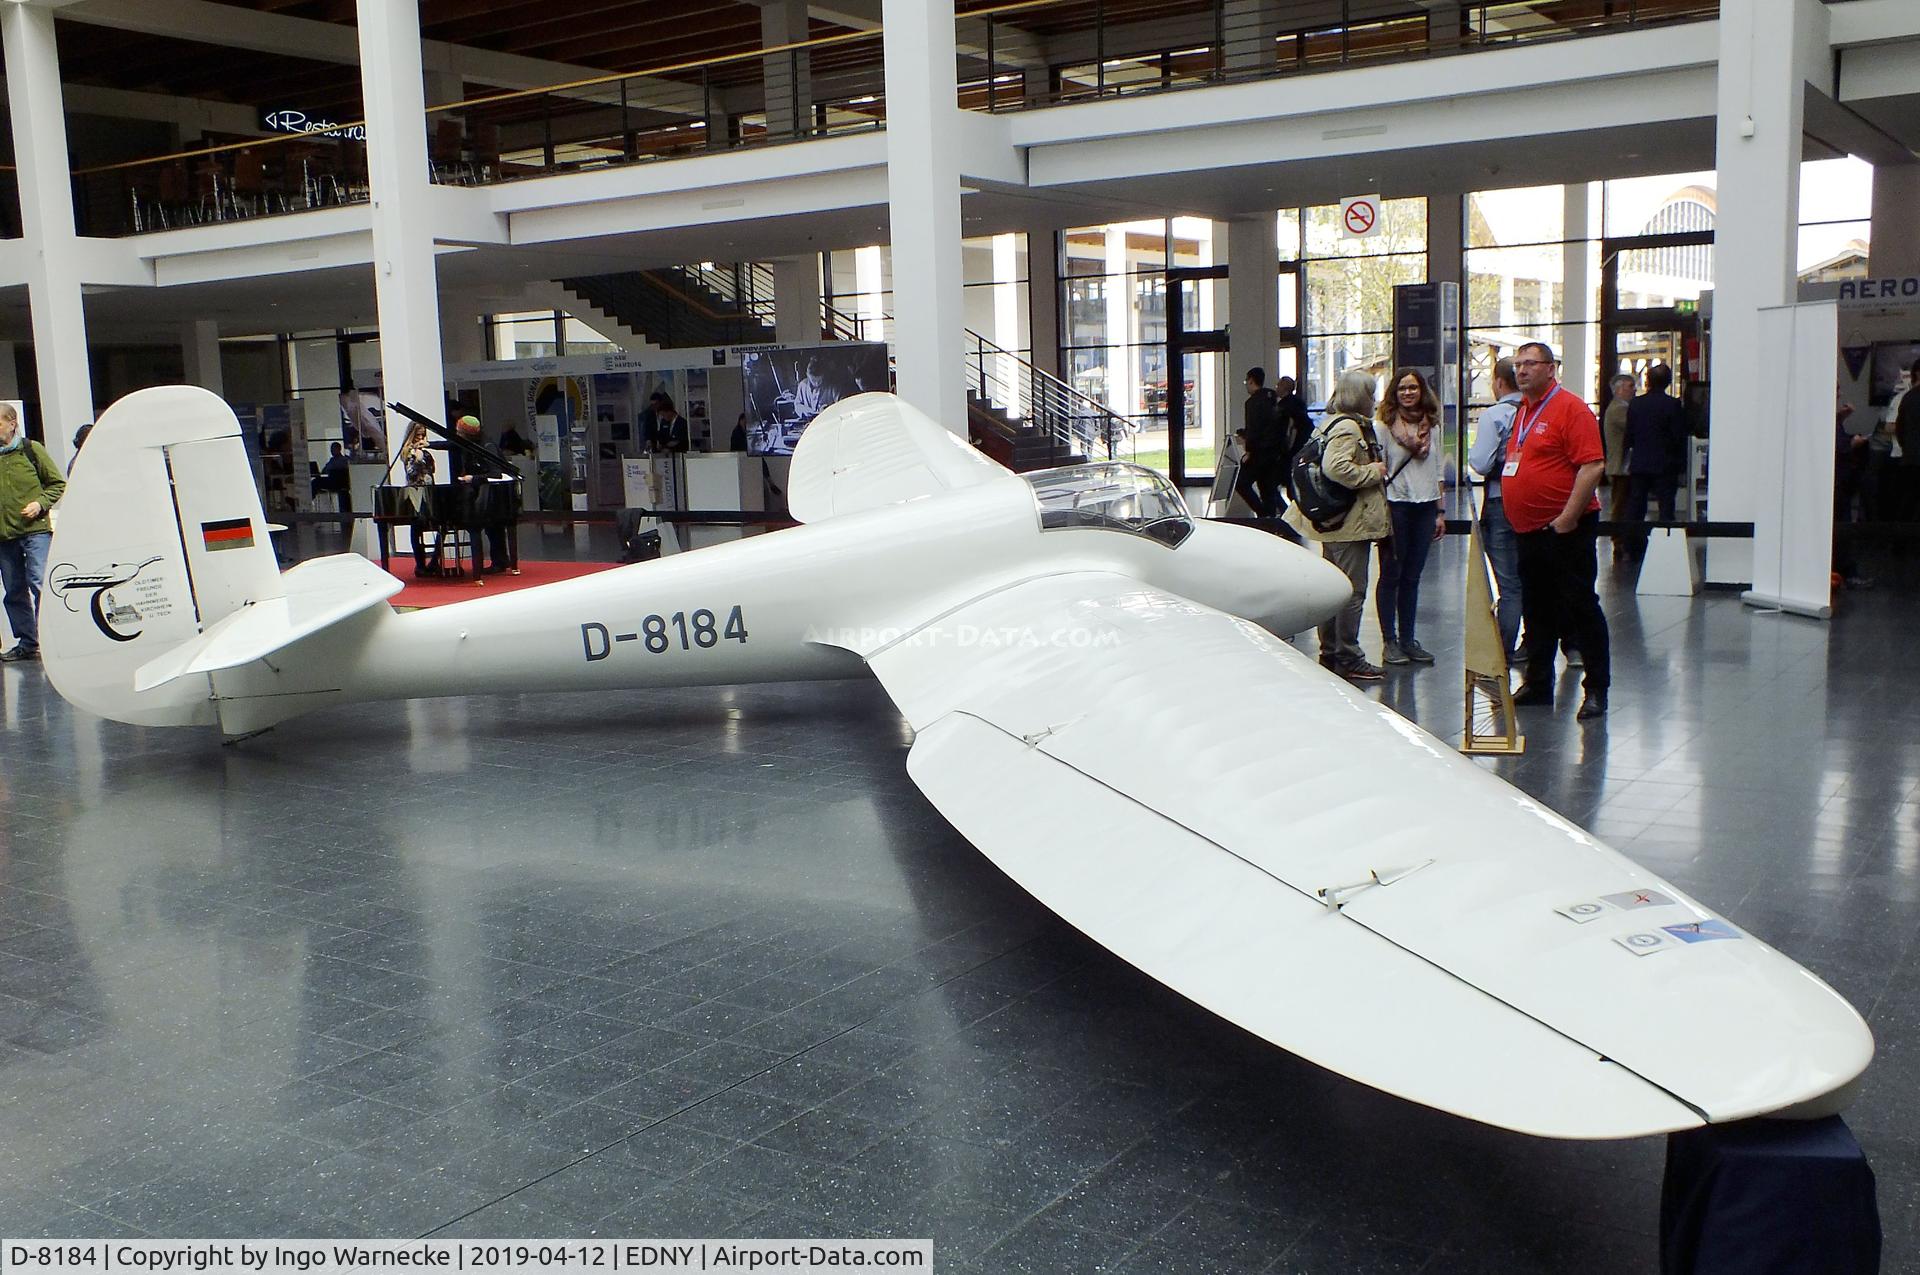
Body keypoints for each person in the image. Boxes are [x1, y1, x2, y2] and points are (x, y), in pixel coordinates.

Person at [1503, 342, 1610, 720]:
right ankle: (1538, 682)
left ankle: (1596, 689)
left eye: (1530, 363)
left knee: (1580, 606)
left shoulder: (1571, 409)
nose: (1522, 370)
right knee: (1537, 609)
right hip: (1529, 530)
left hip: (1567, 528)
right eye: (1518, 364)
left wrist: (1567, 517)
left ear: (1551, 368)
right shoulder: (1523, 411)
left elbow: (1592, 466)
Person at [1302, 369, 1390, 683]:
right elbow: (1336, 466)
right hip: (1350, 523)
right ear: (1360, 397)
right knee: (1352, 591)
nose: (1375, 400)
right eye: (1371, 394)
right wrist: (1373, 472)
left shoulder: (1329, 422)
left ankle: (1331, 651)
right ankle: (1349, 655)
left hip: (1332, 521)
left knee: (1333, 587)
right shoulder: (1350, 428)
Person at [1373, 368, 1447, 666]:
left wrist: (1441, 511)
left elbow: (1438, 469)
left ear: (1421, 391)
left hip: (1425, 505)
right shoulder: (1384, 426)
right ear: (1394, 392)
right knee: (1391, 574)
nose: (1407, 393)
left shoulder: (1433, 426)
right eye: (1402, 388)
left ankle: (1408, 638)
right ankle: (1389, 641)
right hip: (1396, 505)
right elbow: (1380, 469)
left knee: (1413, 576)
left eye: (1413, 388)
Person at [1468, 358, 1526, 659]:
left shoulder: (1496, 415)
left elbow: (1480, 463)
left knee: (1509, 584)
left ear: (1499, 382)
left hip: (1500, 501)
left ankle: (1502, 652)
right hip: (1534, 503)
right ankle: (1536, 644)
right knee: (1532, 576)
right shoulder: (1536, 412)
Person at [0, 405, 65, 663]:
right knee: (14, 590)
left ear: (12, 423)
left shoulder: (31, 450)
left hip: (35, 531)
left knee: (40, 584)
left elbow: (57, 483)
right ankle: (28, 643)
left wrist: (40, 504)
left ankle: (56, 640)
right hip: (5, 536)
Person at [1623, 363, 1689, 555]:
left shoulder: (1636, 403)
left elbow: (1630, 434)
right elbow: (1678, 436)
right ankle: (1665, 547)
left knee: (1635, 506)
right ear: (1668, 382)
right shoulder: (1673, 405)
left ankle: (1632, 546)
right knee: (1666, 506)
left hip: (1641, 462)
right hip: (1665, 464)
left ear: (1648, 380)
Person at [450, 416, 512, 574]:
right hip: (487, 491)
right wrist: (430, 445)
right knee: (494, 528)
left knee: (494, 528)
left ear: (467, 434)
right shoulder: (474, 442)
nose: (457, 434)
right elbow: (451, 444)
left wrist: (473, 478)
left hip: (494, 492)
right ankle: (501, 560)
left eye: (459, 432)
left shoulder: (487, 446)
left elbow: (496, 473)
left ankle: (500, 561)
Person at [1235, 367, 1285, 518]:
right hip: (1274, 452)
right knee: (1267, 487)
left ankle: (1262, 514)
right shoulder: (1272, 398)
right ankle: (1270, 520)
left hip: (1259, 452)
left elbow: (1255, 428)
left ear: (1251, 381)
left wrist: (1248, 449)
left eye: (1246, 381)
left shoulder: (1252, 403)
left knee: (1241, 482)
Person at [399, 423, 439, 576]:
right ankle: (420, 564)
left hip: (430, 493)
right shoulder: (408, 453)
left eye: (423, 435)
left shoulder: (425, 452)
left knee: (443, 525)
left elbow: (432, 470)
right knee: (416, 528)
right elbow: (411, 474)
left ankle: (434, 560)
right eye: (418, 435)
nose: (421, 438)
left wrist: (424, 456)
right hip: (415, 494)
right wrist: (418, 459)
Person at [1602, 374, 1635, 557]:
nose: (1634, 389)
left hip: (1622, 466)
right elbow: (1633, 427)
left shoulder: (1620, 408)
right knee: (1619, 505)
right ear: (1619, 389)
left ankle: (1621, 538)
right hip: (1620, 467)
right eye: (1630, 386)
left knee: (1622, 504)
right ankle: (1618, 540)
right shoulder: (1618, 410)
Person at [791, 356, 841, 421]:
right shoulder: (802, 385)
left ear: (823, 375)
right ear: (807, 375)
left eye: (819, 381)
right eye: (813, 381)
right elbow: (797, 404)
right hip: (809, 423)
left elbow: (841, 405)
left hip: (828, 421)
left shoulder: (833, 387)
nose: (817, 384)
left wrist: (829, 410)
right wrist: (805, 411)